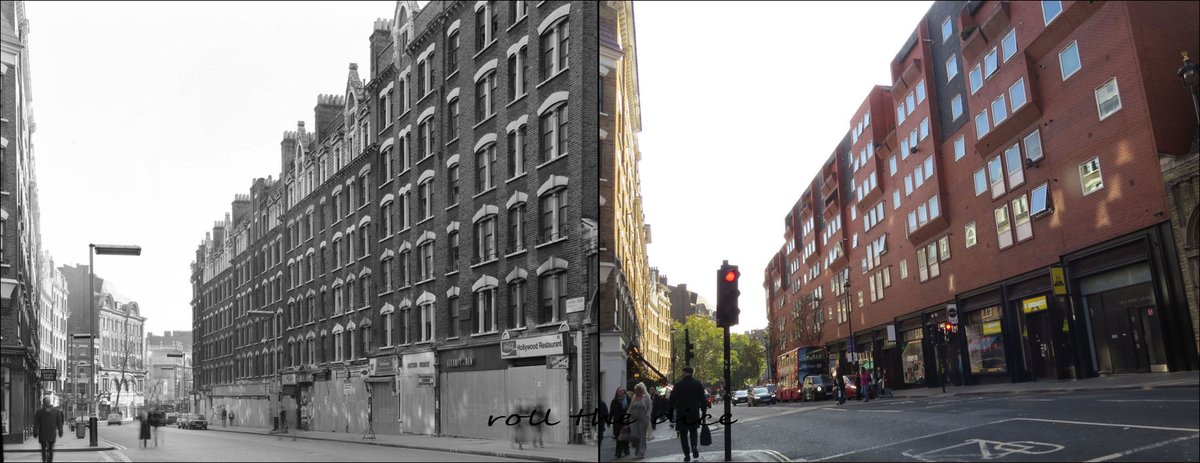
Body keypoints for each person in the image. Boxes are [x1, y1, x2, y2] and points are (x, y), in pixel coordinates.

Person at [669, 367, 707, 462]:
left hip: (681, 413)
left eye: (682, 372)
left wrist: (671, 410)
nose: (681, 374)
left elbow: (672, 399)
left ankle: (687, 455)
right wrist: (704, 411)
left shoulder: (678, 385)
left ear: (685, 373)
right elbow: (703, 399)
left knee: (683, 435)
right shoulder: (698, 384)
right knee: (693, 431)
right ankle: (694, 446)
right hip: (694, 412)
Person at [33, 397, 64, 463]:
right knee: (46, 449)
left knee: (48, 449)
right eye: (46, 402)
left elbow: (59, 422)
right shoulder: (40, 412)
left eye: (47, 402)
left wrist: (60, 431)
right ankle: (46, 459)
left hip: (48, 434)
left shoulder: (54, 411)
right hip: (46, 434)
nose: (47, 403)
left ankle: (47, 459)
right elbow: (36, 423)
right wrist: (35, 432)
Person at [627, 383, 652, 459]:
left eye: (640, 389)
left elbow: (650, 407)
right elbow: (630, 408)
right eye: (637, 389)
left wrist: (647, 415)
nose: (638, 391)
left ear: (642, 389)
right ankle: (636, 447)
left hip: (643, 419)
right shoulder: (634, 397)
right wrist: (626, 416)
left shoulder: (646, 397)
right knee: (634, 435)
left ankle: (641, 452)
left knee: (642, 435)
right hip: (633, 419)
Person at [609, 386, 629, 459]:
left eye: (622, 391)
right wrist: (609, 420)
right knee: (618, 437)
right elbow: (611, 412)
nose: (621, 392)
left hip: (626, 421)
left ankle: (626, 450)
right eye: (619, 391)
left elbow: (631, 410)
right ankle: (618, 453)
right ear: (617, 392)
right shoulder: (614, 401)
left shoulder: (628, 400)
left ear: (624, 392)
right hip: (617, 422)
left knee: (625, 437)